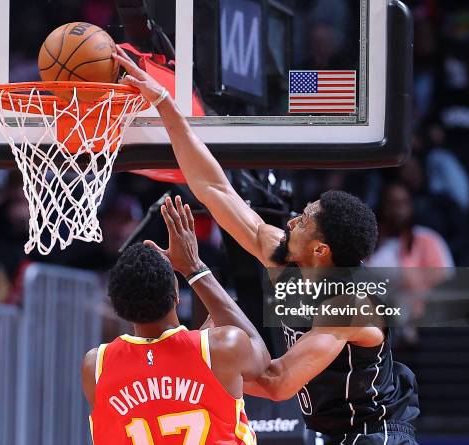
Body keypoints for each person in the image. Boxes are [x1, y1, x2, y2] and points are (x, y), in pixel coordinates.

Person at [111, 46, 420, 445]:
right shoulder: (282, 251)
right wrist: (166, 106)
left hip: (374, 435)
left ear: (321, 251)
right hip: (331, 431)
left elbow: (276, 384)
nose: (292, 220)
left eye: (305, 219)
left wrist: (191, 358)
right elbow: (214, 187)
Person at [81, 197, 271, 444]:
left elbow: (156, 383)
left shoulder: (95, 366)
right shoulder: (222, 347)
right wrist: (194, 267)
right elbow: (262, 358)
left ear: (118, 307)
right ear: (176, 293)